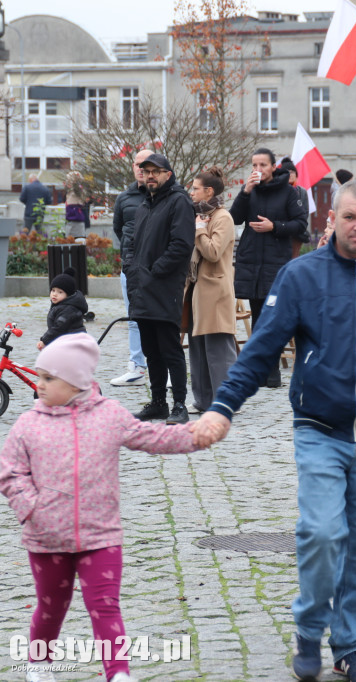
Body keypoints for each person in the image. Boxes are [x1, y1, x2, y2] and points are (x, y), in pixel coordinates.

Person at [192, 180, 356, 682]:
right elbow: (262, 349)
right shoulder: (300, 277)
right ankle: (310, 629)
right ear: (331, 218)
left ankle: (350, 644)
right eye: (350, 217)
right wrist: (222, 407)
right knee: (320, 532)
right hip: (319, 430)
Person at [0, 333, 202, 682]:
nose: (40, 384)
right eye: (40, 376)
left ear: (77, 381)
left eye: (49, 378)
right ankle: (39, 663)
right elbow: (10, 473)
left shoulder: (109, 415)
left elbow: (152, 437)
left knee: (105, 606)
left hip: (101, 535)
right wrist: (31, 509)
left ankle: (118, 673)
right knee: (51, 608)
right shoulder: (28, 424)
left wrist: (198, 435)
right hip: (47, 539)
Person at [229, 147, 308, 388]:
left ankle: (272, 372)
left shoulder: (288, 192)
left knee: (272, 318)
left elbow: (300, 224)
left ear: (274, 167)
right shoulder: (249, 192)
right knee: (257, 318)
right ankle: (261, 370)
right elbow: (234, 218)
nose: (258, 170)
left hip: (276, 262)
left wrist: (275, 226)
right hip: (252, 261)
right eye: (254, 165)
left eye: (263, 165)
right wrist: (245, 191)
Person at [126, 153, 195, 425]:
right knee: (150, 350)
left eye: (156, 171)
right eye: (147, 171)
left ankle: (179, 404)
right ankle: (158, 403)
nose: (151, 175)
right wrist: (131, 268)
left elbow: (181, 246)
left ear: (168, 173)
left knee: (170, 349)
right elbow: (131, 243)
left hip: (164, 288)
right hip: (142, 288)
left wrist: (155, 271)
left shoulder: (179, 201)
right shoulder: (145, 205)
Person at [185, 167, 236, 414]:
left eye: (195, 188)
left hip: (215, 291)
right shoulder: (198, 215)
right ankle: (202, 401)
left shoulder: (223, 217)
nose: (191, 192)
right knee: (198, 349)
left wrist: (199, 229)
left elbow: (213, 252)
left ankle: (227, 401)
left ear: (209, 191)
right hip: (197, 290)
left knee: (219, 350)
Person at [110, 149, 152, 387]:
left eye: (144, 164)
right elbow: (119, 229)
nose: (140, 168)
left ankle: (163, 368)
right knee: (134, 318)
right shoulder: (124, 198)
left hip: (157, 267)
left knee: (160, 319)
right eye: (137, 164)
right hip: (130, 266)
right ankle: (137, 366)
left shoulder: (165, 195)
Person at [38, 268, 87, 350]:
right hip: (64, 342)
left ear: (68, 295)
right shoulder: (59, 305)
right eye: (53, 290)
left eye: (60, 292)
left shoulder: (68, 309)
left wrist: (45, 341)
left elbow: (59, 327)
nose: (55, 294)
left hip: (73, 344)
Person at [63, 171, 89, 240]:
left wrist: (76, 181)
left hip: (76, 218)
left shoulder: (78, 189)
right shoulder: (70, 191)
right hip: (71, 218)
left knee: (78, 239)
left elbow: (78, 191)